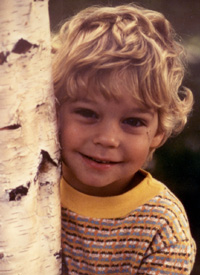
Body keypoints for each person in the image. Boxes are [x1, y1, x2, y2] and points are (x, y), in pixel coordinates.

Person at [52, 4, 196, 274]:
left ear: (158, 133)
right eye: (88, 113)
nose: (107, 139)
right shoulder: (25, 188)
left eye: (133, 122)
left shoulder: (162, 226)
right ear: (53, 112)